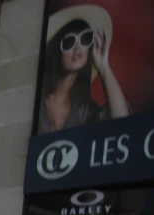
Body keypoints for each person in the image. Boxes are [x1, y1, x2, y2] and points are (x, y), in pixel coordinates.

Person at [38, 6, 128, 134]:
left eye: (85, 38)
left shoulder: (86, 112)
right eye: (70, 41)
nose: (78, 46)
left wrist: (103, 66)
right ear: (56, 50)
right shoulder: (36, 102)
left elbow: (123, 124)